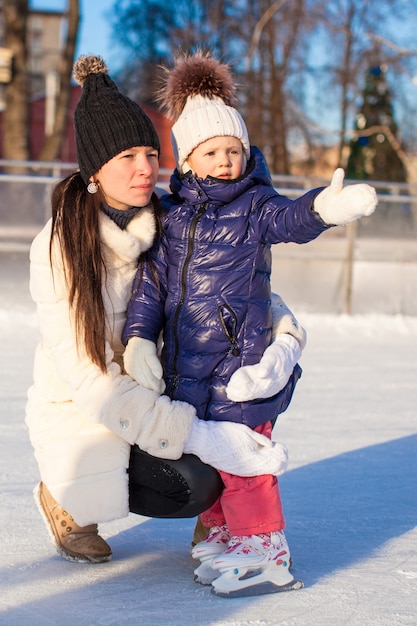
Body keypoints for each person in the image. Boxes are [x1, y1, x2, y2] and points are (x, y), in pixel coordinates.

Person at [25, 54, 303, 567]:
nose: (145, 168)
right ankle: (65, 498)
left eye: (151, 153)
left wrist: (285, 337)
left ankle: (224, 517)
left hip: (161, 390)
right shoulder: (59, 248)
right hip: (93, 408)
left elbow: (233, 286)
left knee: (231, 431)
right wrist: (201, 436)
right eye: (127, 155)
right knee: (198, 473)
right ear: (94, 169)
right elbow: (93, 381)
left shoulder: (169, 218)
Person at [122, 51, 378, 597]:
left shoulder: (254, 205)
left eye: (233, 151)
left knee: (244, 460)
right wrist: (139, 338)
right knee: (208, 459)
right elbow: (151, 287)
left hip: (240, 365)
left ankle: (263, 546)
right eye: (211, 151)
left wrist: (324, 209)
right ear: (187, 160)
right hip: (185, 367)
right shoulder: (169, 219)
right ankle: (224, 536)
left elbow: (290, 219)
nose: (224, 161)